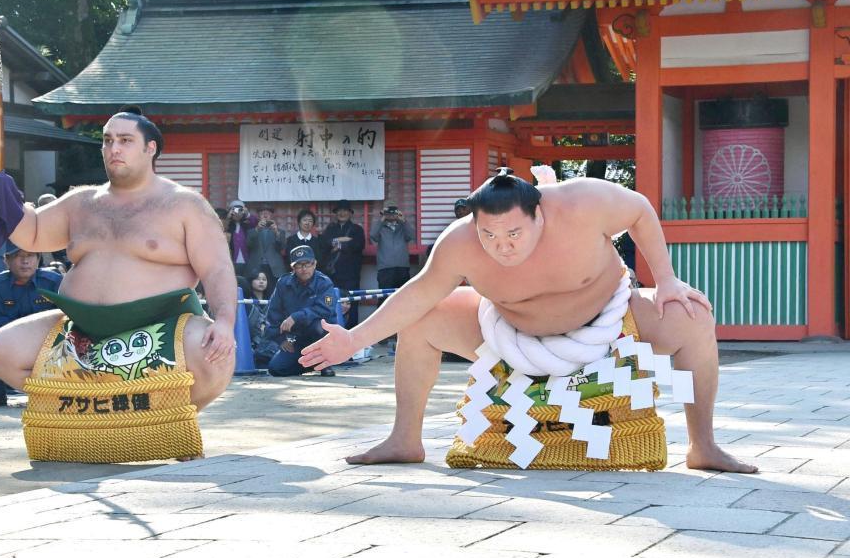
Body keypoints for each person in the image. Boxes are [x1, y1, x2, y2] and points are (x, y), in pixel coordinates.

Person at [301, 168, 757, 473]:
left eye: (514, 232)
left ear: (539, 214)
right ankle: (404, 439)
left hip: (612, 323)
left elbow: (638, 209)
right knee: (423, 317)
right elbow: (419, 291)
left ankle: (703, 446)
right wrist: (353, 339)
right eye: (489, 234)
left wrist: (669, 279)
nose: (502, 246)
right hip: (509, 334)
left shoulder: (582, 202)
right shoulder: (460, 243)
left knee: (691, 316)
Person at [0, 107, 236, 422]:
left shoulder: (185, 205)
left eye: (126, 140)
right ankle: (82, 409)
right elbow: (32, 232)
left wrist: (224, 321)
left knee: (214, 354)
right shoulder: (82, 202)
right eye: (108, 140)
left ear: (150, 148)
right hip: (80, 328)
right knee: (1, 350)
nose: (114, 148)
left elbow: (217, 269)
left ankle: (165, 418)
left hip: (159, 328)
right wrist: (6, 199)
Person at [0, 245, 61, 407]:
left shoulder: (53, 281)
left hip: (46, 335)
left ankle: (61, 391)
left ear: (38, 259)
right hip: (10, 336)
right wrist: (20, 332)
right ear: (7, 260)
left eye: (30, 256)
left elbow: (64, 314)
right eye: (18, 256)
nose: (25, 261)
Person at [264, 245, 336, 377]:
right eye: (299, 265)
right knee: (276, 369)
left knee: (319, 326)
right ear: (293, 268)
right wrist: (281, 340)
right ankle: (312, 364)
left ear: (314, 264)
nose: (303, 269)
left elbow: (326, 310)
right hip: (297, 339)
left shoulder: (324, 283)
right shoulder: (283, 284)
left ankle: (325, 362)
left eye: (307, 264)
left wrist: (296, 317)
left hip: (321, 336)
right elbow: (272, 315)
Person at [321, 199, 365, 329]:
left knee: (351, 302)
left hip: (350, 274)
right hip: (331, 274)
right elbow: (324, 244)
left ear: (350, 213)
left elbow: (358, 245)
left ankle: (351, 332)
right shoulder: (330, 228)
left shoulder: (356, 229)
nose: (342, 213)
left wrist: (337, 244)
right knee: (329, 301)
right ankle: (330, 329)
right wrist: (344, 241)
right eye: (339, 211)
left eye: (345, 210)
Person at [369, 203, 415, 293]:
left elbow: (411, 235)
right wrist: (381, 220)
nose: (391, 215)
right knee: (384, 296)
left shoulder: (403, 227)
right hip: (385, 268)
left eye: (394, 213)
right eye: (388, 213)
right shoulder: (381, 227)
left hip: (402, 266)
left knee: (402, 295)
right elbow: (373, 235)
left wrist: (404, 221)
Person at [244, 267, 278, 369]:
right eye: (258, 279)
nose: (261, 282)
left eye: (264, 279)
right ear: (251, 281)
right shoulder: (246, 302)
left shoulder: (273, 301)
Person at [246, 205, 287, 278]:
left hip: (274, 268)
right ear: (258, 217)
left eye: (268, 213)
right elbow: (248, 245)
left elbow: (282, 247)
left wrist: (276, 233)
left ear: (272, 216)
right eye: (262, 213)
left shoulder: (280, 232)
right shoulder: (251, 231)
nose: (265, 216)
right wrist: (257, 229)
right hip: (256, 266)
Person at [225, 199, 254, 277]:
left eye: (240, 210)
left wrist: (247, 214)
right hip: (232, 259)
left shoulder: (246, 224)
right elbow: (222, 229)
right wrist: (228, 217)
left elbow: (255, 223)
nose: (237, 212)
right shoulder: (229, 225)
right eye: (235, 209)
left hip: (246, 259)